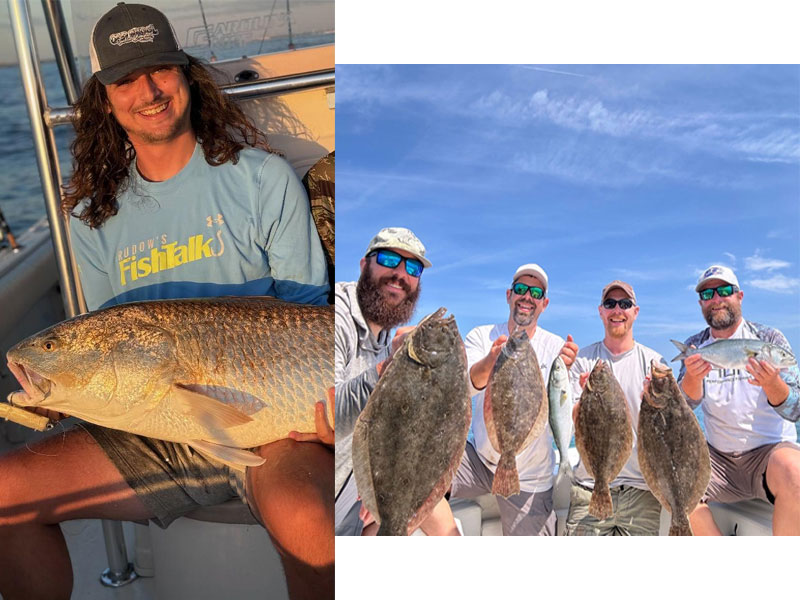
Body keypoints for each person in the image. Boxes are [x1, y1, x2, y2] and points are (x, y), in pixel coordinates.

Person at [0, 4, 332, 600]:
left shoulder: (262, 179)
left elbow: (310, 322)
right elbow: (113, 355)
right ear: (105, 98)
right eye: (126, 78)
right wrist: (62, 394)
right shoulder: (91, 219)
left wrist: (333, 407)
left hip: (270, 422)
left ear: (185, 75)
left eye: (159, 70)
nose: (147, 91)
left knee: (310, 524)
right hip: (147, 424)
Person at [335, 226, 459, 536]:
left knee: (443, 522)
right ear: (365, 265)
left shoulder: (388, 334)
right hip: (326, 487)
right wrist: (388, 369)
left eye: (412, 267)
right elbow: (322, 412)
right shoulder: (335, 316)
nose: (400, 274)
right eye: (390, 259)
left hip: (363, 481)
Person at [450, 263, 578, 535]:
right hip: (480, 462)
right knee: (415, 470)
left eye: (536, 292)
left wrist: (573, 378)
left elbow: (566, 410)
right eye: (521, 289)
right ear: (509, 295)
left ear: (544, 304)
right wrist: (491, 361)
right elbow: (464, 387)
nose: (527, 296)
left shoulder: (556, 348)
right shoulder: (482, 337)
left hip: (531, 478)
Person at [677, 265, 800, 535]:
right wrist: (693, 379)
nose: (716, 298)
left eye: (724, 291)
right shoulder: (696, 345)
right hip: (717, 461)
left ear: (739, 296)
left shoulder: (769, 339)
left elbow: (796, 409)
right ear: (701, 303)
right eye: (708, 294)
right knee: (674, 485)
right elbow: (680, 413)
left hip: (769, 455)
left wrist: (772, 384)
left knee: (797, 474)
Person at [565, 280, 667, 535]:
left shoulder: (655, 364)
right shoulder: (582, 361)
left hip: (641, 490)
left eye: (625, 304)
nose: (617, 310)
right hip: (589, 487)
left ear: (635, 311)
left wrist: (656, 402)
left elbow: (666, 430)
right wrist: (585, 402)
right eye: (610, 304)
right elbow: (573, 424)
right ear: (601, 311)